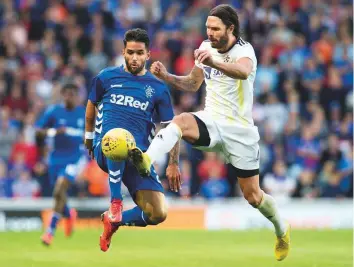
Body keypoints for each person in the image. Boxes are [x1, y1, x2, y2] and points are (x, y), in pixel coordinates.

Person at [129, 5, 290, 261]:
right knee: (180, 121)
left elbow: (243, 71)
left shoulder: (244, 51)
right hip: (212, 121)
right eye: (208, 28)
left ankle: (282, 230)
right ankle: (147, 159)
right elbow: (193, 84)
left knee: (253, 196)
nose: (210, 33)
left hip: (240, 132)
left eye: (215, 28)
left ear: (231, 28)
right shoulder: (205, 47)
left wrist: (213, 60)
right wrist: (166, 76)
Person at [84, 28, 181, 252]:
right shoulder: (106, 77)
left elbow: (170, 127)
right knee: (120, 139)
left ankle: (114, 220)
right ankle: (115, 202)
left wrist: (174, 162)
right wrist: (89, 137)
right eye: (130, 53)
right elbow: (91, 107)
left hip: (137, 157)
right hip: (106, 147)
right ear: (123, 52)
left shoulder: (158, 88)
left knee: (158, 213)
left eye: (139, 53)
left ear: (148, 55)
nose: (134, 58)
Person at [37, 83, 86, 246]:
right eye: (67, 94)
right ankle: (69, 213)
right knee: (58, 194)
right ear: (63, 95)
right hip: (55, 158)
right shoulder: (54, 111)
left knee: (59, 189)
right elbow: (38, 131)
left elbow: (92, 135)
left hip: (74, 158)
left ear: (77, 96)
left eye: (73, 94)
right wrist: (54, 132)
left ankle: (50, 232)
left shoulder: (84, 113)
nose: (70, 97)